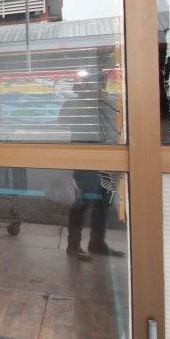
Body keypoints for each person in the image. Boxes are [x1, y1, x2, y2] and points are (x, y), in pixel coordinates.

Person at [56, 78, 124, 260]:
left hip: (108, 159)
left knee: (105, 201)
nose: (100, 87)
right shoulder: (75, 102)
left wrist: (104, 100)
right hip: (85, 160)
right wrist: (83, 100)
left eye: (102, 84)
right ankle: (73, 245)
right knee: (82, 202)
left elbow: (118, 122)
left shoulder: (108, 101)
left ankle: (97, 242)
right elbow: (62, 121)